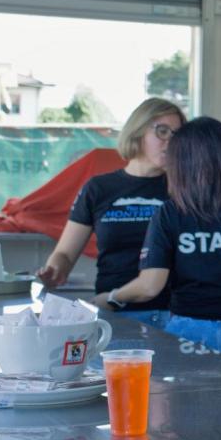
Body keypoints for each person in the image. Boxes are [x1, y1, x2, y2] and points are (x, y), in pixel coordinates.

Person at [94, 117, 221, 372]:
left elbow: (150, 286)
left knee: (194, 400)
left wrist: (110, 297)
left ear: (179, 164)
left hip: (189, 332)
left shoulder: (170, 213)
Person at [38, 97, 185, 329]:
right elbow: (65, 253)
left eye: (178, 135)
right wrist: (55, 269)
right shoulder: (98, 188)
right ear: (137, 131)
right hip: (113, 312)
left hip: (174, 315)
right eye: (162, 131)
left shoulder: (184, 190)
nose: (171, 141)